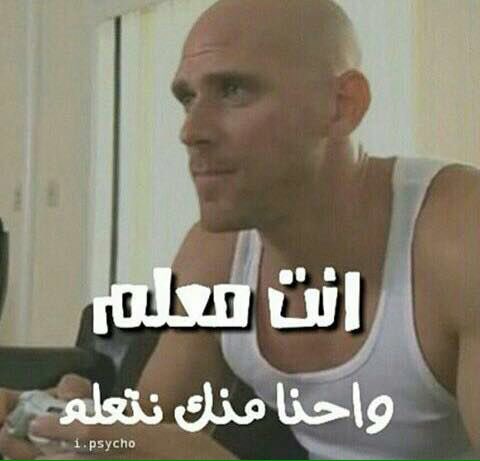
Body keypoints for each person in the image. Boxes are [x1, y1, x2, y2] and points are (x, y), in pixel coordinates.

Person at [0, 0, 478, 458]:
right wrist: (69, 431)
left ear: (342, 105)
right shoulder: (216, 253)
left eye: (233, 90)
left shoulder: (460, 236)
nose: (190, 131)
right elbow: (148, 432)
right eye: (188, 98)